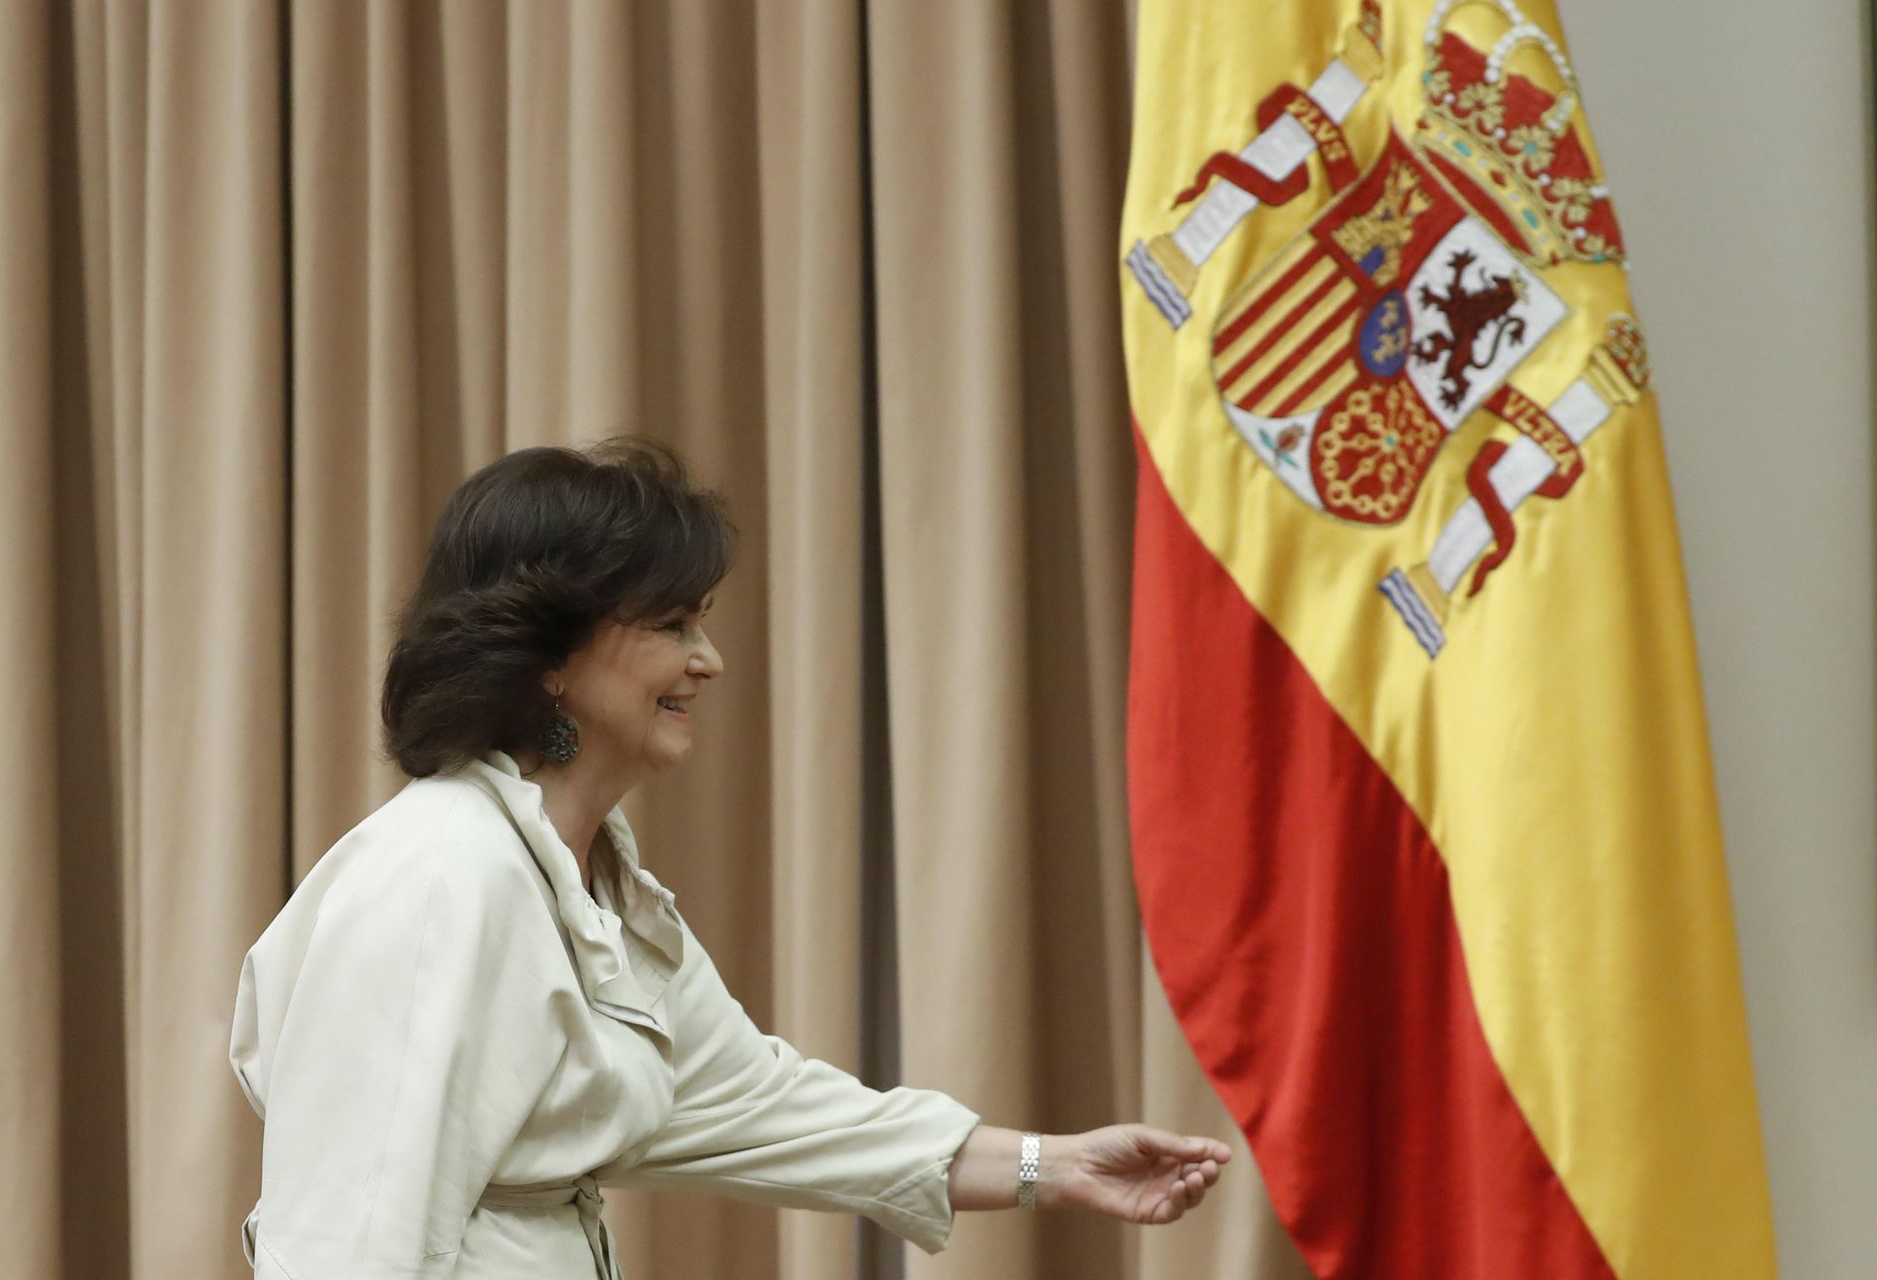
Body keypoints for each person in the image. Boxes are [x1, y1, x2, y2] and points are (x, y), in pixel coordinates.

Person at [229, 440, 1232, 1278]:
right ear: (550, 654)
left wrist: (1052, 1165)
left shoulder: (588, 881)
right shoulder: (444, 872)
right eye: (671, 623)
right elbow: (346, 1243)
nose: (706, 658)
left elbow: (763, 1104)